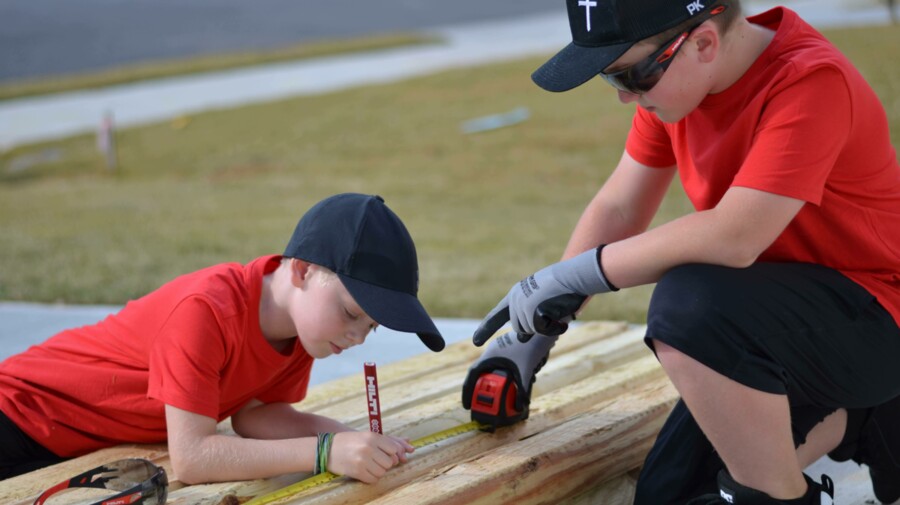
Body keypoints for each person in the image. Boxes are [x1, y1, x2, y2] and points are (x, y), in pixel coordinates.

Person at [462, 0, 900, 503]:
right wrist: (535, 332)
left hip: (876, 322)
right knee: (666, 494)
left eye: (631, 76)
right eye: (612, 81)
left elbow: (735, 236)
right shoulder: (676, 90)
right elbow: (622, 209)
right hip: (778, 330)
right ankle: (860, 420)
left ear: (703, 43)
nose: (626, 97)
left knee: (688, 304)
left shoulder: (810, 82)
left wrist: (573, 277)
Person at [0, 193, 445, 485]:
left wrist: (349, 437)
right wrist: (327, 451)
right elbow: (192, 457)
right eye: (352, 313)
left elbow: (256, 416)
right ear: (303, 270)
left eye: (371, 327)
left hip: (79, 446)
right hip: (19, 415)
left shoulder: (302, 330)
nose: (357, 336)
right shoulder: (207, 310)